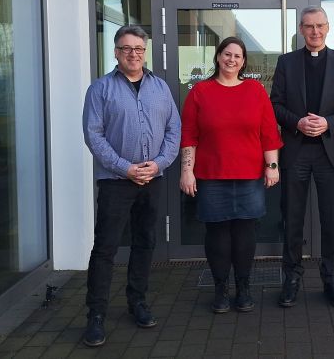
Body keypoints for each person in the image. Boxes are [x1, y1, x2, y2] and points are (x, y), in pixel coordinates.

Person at [81, 25, 181, 346]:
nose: (133, 54)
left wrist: (160, 163)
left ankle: (137, 301)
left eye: (138, 48)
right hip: (115, 182)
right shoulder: (100, 89)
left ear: (145, 51)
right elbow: (93, 136)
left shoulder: (161, 88)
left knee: (145, 243)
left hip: (152, 179)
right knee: (105, 249)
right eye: (126, 48)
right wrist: (126, 168)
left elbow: (173, 130)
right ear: (115, 52)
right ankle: (95, 315)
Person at [179, 37, 282, 314]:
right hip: (212, 176)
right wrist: (187, 171)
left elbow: (268, 133)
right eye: (227, 54)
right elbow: (189, 135)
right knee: (217, 234)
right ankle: (221, 288)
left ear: (244, 61)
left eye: (237, 56)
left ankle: (244, 287)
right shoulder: (200, 92)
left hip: (249, 175)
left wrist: (272, 166)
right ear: (218, 57)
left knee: (245, 233)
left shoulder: (255, 91)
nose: (232, 60)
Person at [270, 6, 334, 307]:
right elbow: (275, 105)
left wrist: (327, 123)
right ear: (300, 29)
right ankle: (291, 278)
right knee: (292, 219)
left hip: (329, 152)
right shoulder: (286, 63)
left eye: (320, 25)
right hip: (296, 151)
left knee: (331, 221)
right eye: (309, 26)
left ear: (328, 27)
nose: (315, 31)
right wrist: (296, 122)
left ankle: (331, 278)